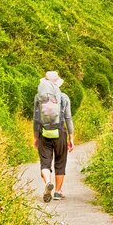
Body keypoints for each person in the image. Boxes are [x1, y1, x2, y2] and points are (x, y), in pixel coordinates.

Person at [33, 71, 75, 202]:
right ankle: (57, 192)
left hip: (44, 132)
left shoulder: (38, 97)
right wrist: (71, 137)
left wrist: (35, 137)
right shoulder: (64, 98)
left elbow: (35, 119)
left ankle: (47, 183)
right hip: (60, 132)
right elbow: (68, 118)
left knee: (45, 162)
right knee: (60, 162)